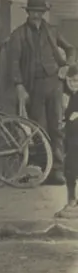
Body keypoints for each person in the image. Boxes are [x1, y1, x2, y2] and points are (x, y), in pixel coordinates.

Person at [7, 0, 75, 185]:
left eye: (40, 12)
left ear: (44, 13)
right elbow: (13, 63)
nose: (37, 16)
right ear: (28, 13)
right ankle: (42, 170)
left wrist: (67, 66)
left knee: (56, 127)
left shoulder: (52, 31)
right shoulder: (19, 35)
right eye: (34, 12)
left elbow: (71, 49)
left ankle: (57, 170)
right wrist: (19, 85)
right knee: (38, 129)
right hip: (34, 85)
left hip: (54, 83)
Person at [56, 64, 78, 219]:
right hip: (71, 139)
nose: (73, 84)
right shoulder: (68, 96)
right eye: (71, 80)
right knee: (70, 169)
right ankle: (71, 200)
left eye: (77, 81)